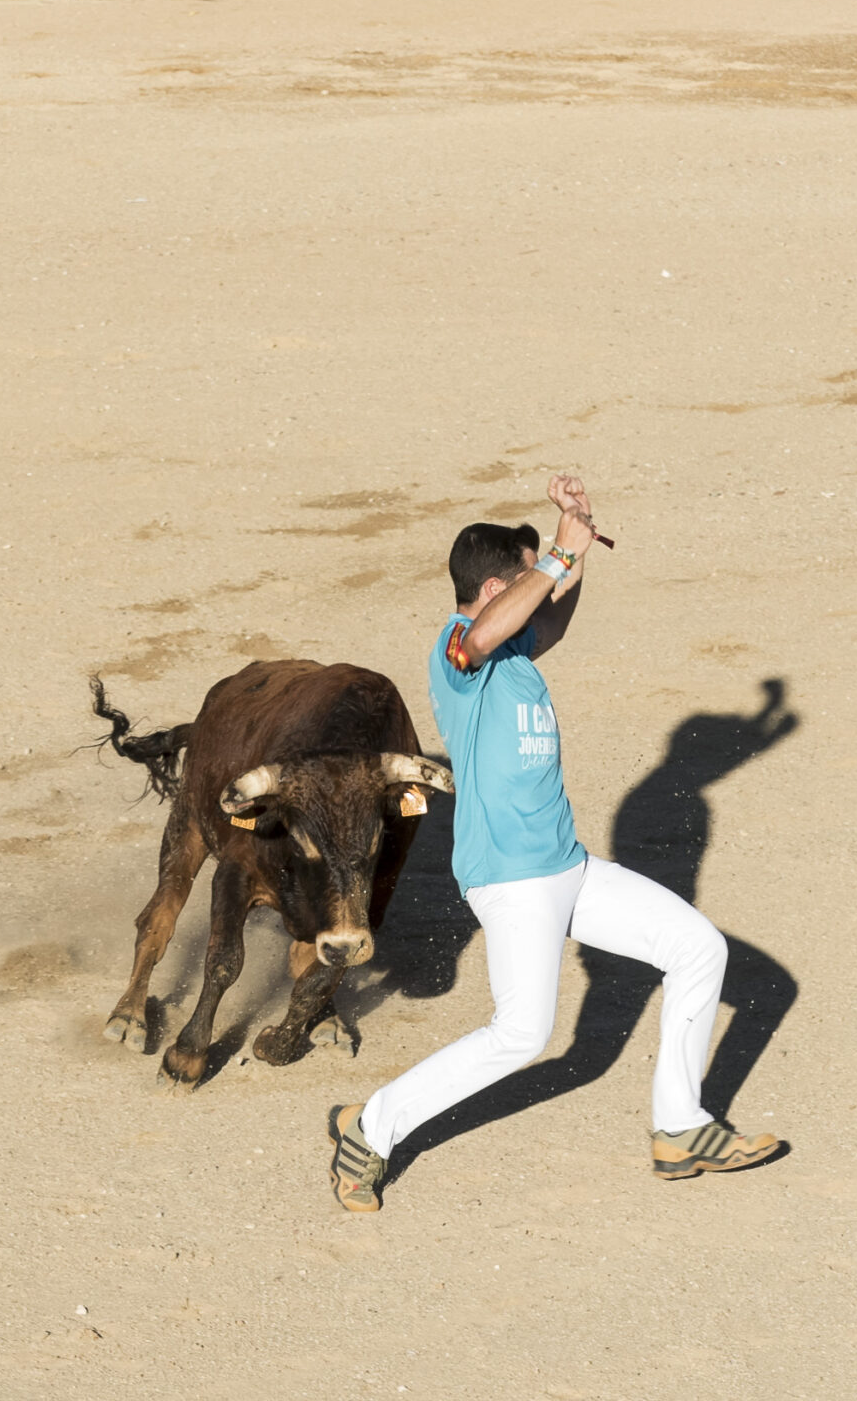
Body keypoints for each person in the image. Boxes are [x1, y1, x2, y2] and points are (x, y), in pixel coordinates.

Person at [325, 474, 783, 1212]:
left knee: (699, 948)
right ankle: (370, 1129)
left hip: (566, 868)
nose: (549, 589)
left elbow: (554, 619)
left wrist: (578, 540)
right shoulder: (458, 650)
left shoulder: (520, 653)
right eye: (534, 577)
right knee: (521, 1033)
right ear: (500, 583)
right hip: (509, 878)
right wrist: (558, 560)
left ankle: (681, 1127)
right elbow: (482, 634)